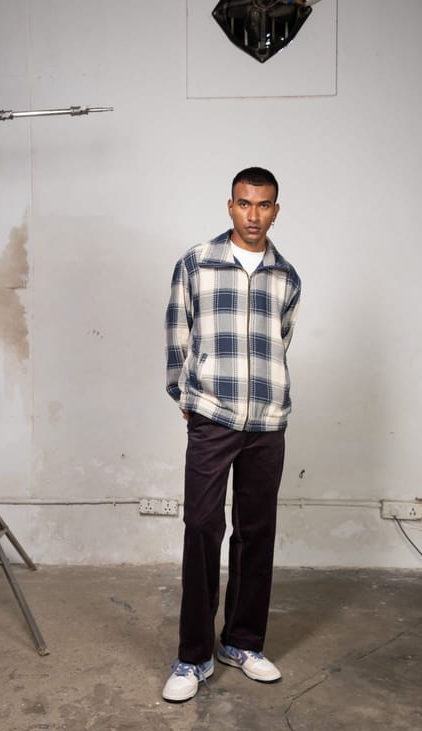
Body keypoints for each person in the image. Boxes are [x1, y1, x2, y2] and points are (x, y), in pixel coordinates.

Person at [163, 166, 301, 702]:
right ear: (230, 206)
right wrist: (185, 395)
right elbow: (177, 332)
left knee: (256, 531)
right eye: (244, 203)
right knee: (201, 527)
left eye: (263, 205)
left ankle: (242, 642)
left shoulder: (286, 276)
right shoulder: (197, 262)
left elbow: (281, 340)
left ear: (275, 210)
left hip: (266, 420)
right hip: (212, 414)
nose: (253, 215)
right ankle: (192, 656)